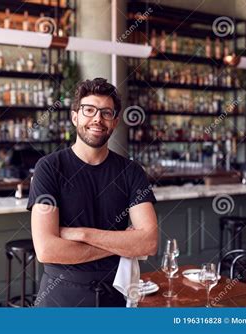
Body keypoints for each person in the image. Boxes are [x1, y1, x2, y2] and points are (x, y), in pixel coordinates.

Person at [27, 78, 158, 307]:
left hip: (115, 297)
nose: (98, 118)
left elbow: (148, 243)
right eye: (89, 110)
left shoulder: (131, 171)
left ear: (115, 121)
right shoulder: (49, 167)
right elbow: (47, 250)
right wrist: (122, 243)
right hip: (60, 299)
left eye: (106, 112)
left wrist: (81, 234)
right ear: (75, 116)